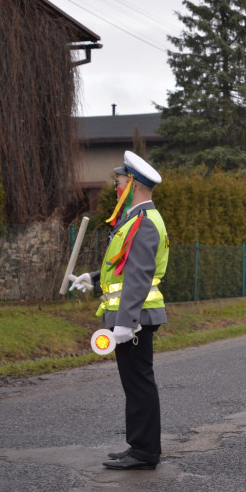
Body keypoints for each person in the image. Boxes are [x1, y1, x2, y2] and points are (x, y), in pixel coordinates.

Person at [70, 151, 170, 470]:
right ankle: (140, 446)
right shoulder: (136, 218)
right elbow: (125, 266)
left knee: (139, 382)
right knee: (135, 382)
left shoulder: (144, 221)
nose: (116, 187)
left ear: (134, 184)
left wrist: (126, 324)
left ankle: (144, 452)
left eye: (119, 181)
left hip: (136, 319)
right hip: (133, 317)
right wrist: (95, 277)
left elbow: (139, 276)